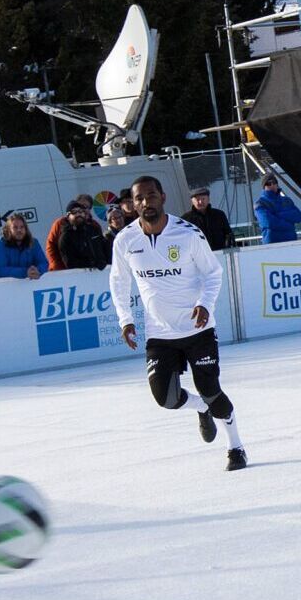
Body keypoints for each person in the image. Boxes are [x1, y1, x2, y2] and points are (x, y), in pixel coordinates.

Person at [109, 174, 246, 471]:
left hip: (198, 329)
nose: (147, 202)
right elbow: (119, 282)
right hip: (159, 333)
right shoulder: (125, 240)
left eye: (151, 196)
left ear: (163, 198)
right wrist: (126, 320)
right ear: (133, 204)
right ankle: (201, 409)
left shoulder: (187, 233)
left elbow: (213, 273)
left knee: (210, 389)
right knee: (165, 399)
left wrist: (204, 304)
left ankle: (235, 447)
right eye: (140, 198)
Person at [0, 213, 45, 280]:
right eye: (15, 227)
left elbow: (44, 263)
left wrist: (38, 270)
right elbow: (1, 271)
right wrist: (25, 272)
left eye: (22, 227)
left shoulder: (33, 242)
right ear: (9, 230)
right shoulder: (0, 245)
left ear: (26, 229)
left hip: (25, 282)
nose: (19, 230)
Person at [253, 177, 301, 245]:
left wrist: (277, 214)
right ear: (264, 187)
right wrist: (289, 224)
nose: (272, 185)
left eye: (274, 182)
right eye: (268, 183)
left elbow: (298, 216)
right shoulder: (260, 203)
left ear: (277, 184)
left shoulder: (287, 200)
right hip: (272, 245)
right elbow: (268, 222)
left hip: (291, 242)